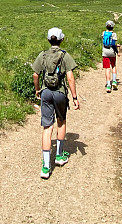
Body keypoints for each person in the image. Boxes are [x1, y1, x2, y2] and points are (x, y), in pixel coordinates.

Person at [32, 27, 80, 179]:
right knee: (61, 121)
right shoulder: (65, 56)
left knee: (47, 127)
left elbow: (35, 74)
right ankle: (59, 156)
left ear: (48, 40)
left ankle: (46, 167)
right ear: (62, 40)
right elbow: (70, 78)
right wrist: (74, 97)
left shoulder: (43, 55)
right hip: (59, 93)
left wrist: (38, 90)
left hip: (46, 93)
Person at [101, 20, 118, 93]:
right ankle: (114, 81)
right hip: (112, 52)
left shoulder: (103, 33)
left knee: (107, 68)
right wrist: (117, 51)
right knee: (113, 66)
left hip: (105, 52)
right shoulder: (114, 34)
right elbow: (114, 44)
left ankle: (108, 85)